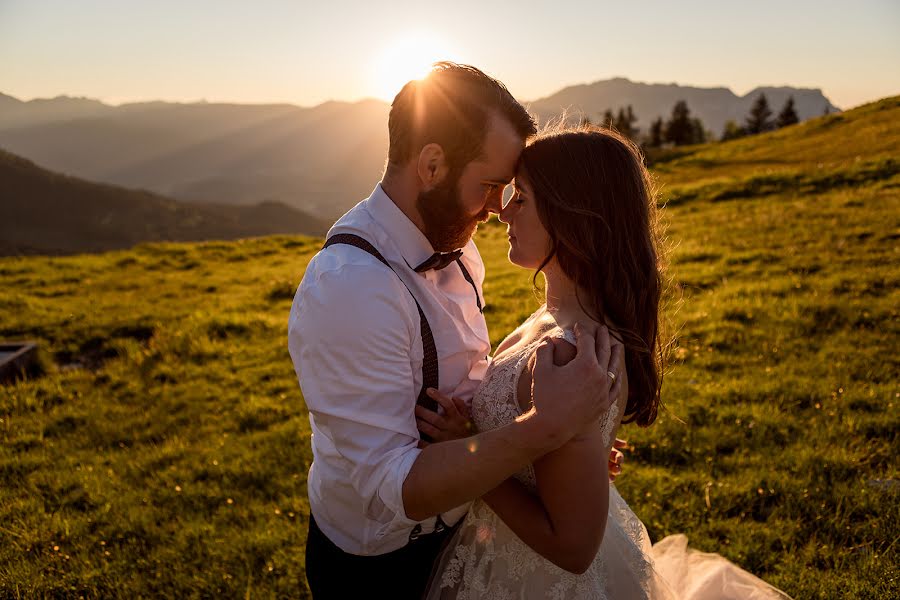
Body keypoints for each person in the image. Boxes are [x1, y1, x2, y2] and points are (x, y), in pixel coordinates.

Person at [288, 63, 624, 599]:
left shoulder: (460, 246)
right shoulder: (349, 290)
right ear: (432, 164)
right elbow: (394, 487)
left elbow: (465, 388)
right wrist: (547, 430)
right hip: (382, 564)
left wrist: (558, 461)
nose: (498, 208)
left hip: (471, 536)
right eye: (491, 185)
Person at [421, 126, 791, 599]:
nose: (502, 211)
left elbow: (573, 547)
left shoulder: (568, 353)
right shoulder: (556, 318)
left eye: (523, 198)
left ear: (574, 216)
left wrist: (469, 454)